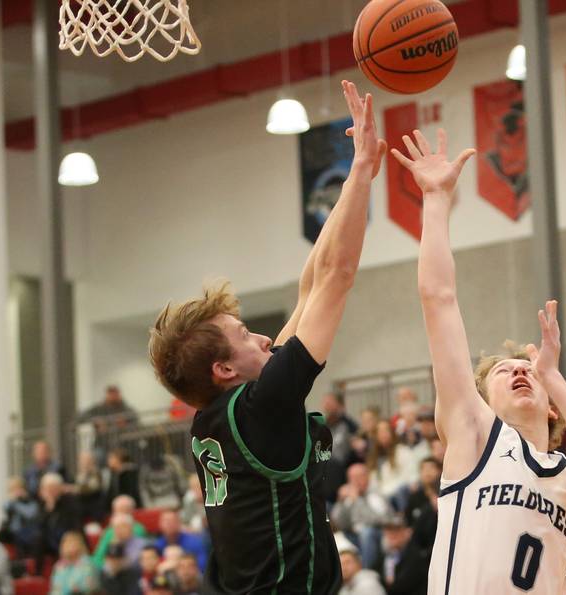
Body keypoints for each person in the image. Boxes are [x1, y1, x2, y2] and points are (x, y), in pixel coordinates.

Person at [147, 80, 386, 595]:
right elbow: (337, 277)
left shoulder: (224, 416)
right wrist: (362, 171)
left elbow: (310, 284)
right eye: (243, 334)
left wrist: (351, 180)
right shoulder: (264, 405)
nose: (262, 338)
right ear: (223, 370)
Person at [391, 129, 566, 593]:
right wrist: (436, 200)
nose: (519, 370)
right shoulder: (475, 432)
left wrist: (552, 375)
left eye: (527, 373)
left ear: (553, 406)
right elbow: (438, 298)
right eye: (504, 371)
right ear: (481, 399)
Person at [330, 463, 392, 568]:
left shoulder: (375, 494)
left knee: (366, 532)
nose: (356, 481)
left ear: (367, 477)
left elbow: (379, 521)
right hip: (355, 535)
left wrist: (357, 501)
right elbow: (339, 523)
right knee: (337, 537)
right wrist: (340, 502)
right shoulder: (350, 496)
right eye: (352, 478)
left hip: (379, 534)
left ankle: (367, 569)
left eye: (360, 476)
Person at [77, 385, 139, 459]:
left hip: (123, 445)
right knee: (95, 456)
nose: (113, 396)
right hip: (102, 445)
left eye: (115, 393)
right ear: (107, 395)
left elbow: (136, 421)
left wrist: (125, 424)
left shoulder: (126, 409)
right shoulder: (99, 409)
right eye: (111, 394)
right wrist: (95, 421)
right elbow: (80, 417)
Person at [92, 496, 148, 568]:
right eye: (118, 510)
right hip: (108, 569)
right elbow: (98, 557)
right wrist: (106, 567)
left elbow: (135, 558)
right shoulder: (109, 531)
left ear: (131, 511)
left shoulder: (138, 529)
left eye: (125, 510)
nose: (121, 513)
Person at [0, 476, 41, 559]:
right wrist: (13, 500)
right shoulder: (11, 502)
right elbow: (5, 507)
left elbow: (30, 514)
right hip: (11, 532)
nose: (15, 492)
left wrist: (17, 503)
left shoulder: (30, 500)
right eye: (12, 489)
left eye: (17, 488)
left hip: (26, 532)